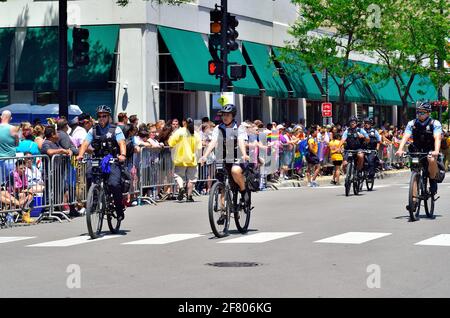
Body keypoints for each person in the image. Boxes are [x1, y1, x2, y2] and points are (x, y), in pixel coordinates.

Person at [76, 105, 127, 221]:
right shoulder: (93, 130)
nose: (102, 118)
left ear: (108, 117)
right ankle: (93, 200)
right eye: (99, 116)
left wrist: (122, 155)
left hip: (112, 159)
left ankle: (119, 208)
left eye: (104, 116)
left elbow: (122, 143)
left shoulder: (116, 129)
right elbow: (85, 143)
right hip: (97, 159)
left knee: (114, 184)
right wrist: (80, 155)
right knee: (89, 174)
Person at [200, 104, 250, 207]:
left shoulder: (239, 127)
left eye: (228, 115)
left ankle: (243, 191)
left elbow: (241, 141)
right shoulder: (218, 128)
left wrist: (245, 154)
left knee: (235, 171)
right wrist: (205, 156)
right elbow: (213, 142)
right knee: (223, 184)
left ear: (233, 116)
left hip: (237, 156)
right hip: (223, 157)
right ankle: (223, 211)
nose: (225, 117)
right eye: (223, 115)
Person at [395, 101, 443, 195]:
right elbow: (406, 136)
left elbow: (437, 137)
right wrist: (400, 149)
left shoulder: (435, 123)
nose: (419, 114)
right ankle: (413, 201)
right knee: (415, 171)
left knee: (431, 159)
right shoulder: (411, 123)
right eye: (418, 112)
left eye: (422, 112)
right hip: (416, 150)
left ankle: (432, 181)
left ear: (428, 113)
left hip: (430, 149)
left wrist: (436, 151)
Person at [168, 118, 202, 202]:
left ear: (184, 123)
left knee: (178, 175)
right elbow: (199, 147)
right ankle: (189, 196)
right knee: (191, 178)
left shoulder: (179, 132)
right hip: (192, 159)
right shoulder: (195, 133)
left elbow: (171, 142)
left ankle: (181, 187)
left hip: (180, 158)